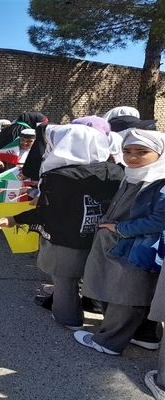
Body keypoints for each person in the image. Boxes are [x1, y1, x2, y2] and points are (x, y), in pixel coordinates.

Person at [0, 124, 123, 330]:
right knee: (102, 280)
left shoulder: (57, 176)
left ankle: (68, 318)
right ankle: (113, 324)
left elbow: (46, 211)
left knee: (65, 281)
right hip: (103, 236)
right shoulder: (116, 171)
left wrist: (15, 219)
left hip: (64, 238)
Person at [74, 129, 165, 356]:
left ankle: (108, 342)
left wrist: (120, 228)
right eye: (127, 151)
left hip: (136, 247)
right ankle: (144, 336)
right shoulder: (134, 173)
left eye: (142, 151)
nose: (132, 157)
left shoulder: (159, 181)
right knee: (136, 292)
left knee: (125, 294)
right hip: (123, 244)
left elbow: (159, 220)